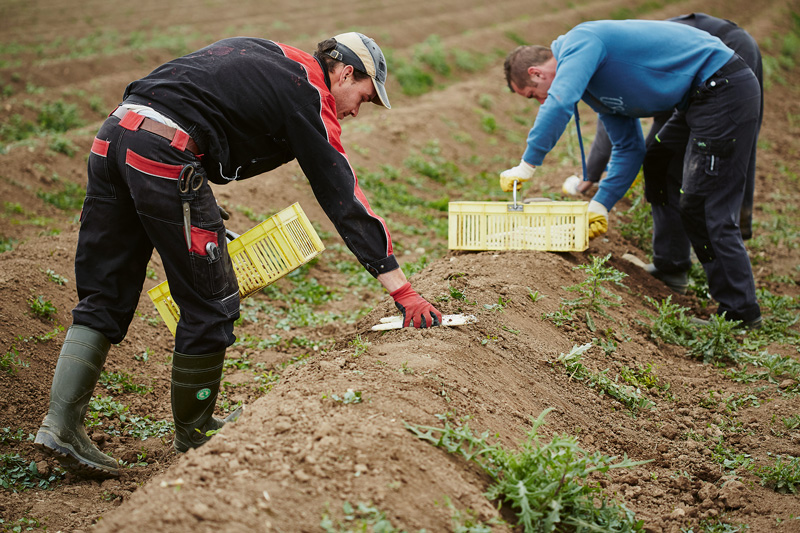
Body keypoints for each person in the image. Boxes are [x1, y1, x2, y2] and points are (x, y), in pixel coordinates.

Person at [34, 32, 442, 478]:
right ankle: (196, 430)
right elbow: (342, 194)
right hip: (165, 154)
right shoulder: (310, 93)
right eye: (362, 96)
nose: (355, 109)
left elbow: (198, 99)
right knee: (211, 300)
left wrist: (200, 207)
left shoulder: (269, 52)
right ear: (345, 72)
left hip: (115, 137)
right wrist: (402, 290)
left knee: (104, 293)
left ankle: (60, 427)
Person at [500, 19, 762, 328]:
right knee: (657, 162)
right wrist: (600, 204)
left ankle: (741, 313)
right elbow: (628, 149)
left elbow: (558, 102)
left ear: (537, 73)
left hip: (722, 88)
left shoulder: (581, 41)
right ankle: (671, 268)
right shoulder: (594, 89)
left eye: (534, 95)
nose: (540, 101)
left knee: (704, 204)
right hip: (697, 99)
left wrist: (528, 164)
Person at [562, 14, 763, 297]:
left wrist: (591, 176)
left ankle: (738, 302)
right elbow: (617, 122)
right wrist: (594, 178)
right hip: (691, 86)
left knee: (705, 194)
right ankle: (671, 265)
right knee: (659, 157)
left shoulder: (613, 65)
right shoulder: (609, 64)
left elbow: (616, 128)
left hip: (724, 64)